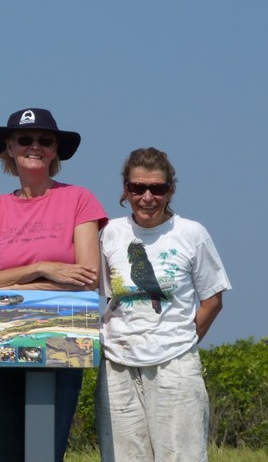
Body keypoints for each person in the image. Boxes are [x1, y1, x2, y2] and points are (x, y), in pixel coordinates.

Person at [0, 108, 108, 462]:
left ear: (55, 149)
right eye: (26, 139)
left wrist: (10, 288)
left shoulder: (80, 200)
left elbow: (87, 280)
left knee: (47, 449)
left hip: (63, 333)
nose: (35, 146)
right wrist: (41, 270)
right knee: (9, 448)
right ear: (10, 147)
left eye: (45, 140)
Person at [96, 147, 232, 462]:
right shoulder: (109, 234)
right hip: (117, 365)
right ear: (125, 190)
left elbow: (213, 300)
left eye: (156, 189)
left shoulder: (192, 233)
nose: (147, 197)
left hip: (175, 366)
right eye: (137, 188)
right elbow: (101, 296)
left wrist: (182, 340)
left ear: (170, 191)